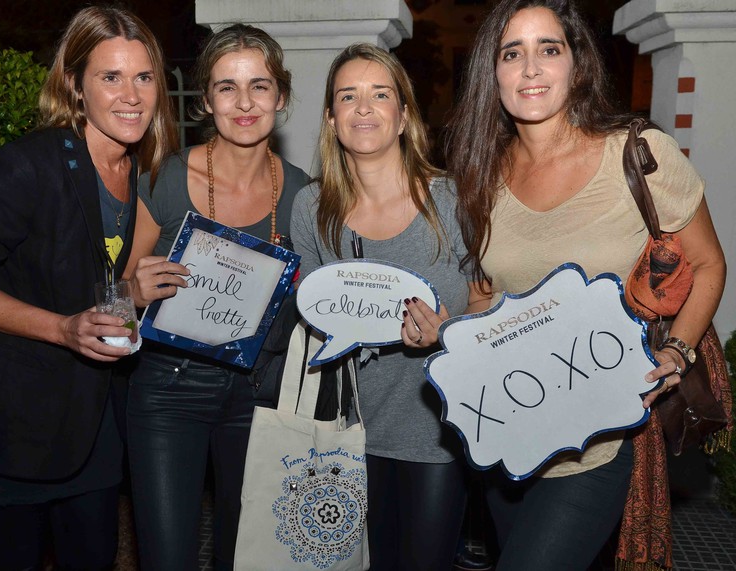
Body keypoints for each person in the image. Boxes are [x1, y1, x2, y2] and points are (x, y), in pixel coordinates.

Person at [444, 1, 726, 570]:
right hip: (510, 436)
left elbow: (708, 264)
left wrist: (678, 351)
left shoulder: (637, 153)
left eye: (548, 49)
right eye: (511, 53)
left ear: (577, 64)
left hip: (601, 441)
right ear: (492, 73)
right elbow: (484, 297)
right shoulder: (480, 174)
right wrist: (452, 338)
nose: (531, 68)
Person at [0, 5, 177, 569]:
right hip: (12, 430)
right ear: (74, 85)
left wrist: (132, 294)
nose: (132, 95)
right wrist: (62, 328)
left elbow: (97, 285)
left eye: (144, 77)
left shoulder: (141, 172)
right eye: (111, 77)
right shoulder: (27, 166)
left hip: (92, 431)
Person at [123, 24, 310, 571]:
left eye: (260, 85)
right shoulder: (163, 178)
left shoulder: (305, 193)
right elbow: (114, 293)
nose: (245, 103)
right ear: (206, 100)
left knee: (245, 557)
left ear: (280, 96)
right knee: (167, 556)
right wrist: (132, 292)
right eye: (227, 87)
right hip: (167, 392)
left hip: (259, 395)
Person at [291, 43, 472, 571]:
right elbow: (308, 311)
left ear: (404, 116)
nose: (364, 107)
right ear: (331, 119)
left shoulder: (452, 200)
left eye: (380, 94)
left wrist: (450, 332)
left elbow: (490, 296)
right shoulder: (312, 207)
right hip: (347, 430)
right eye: (348, 96)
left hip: (437, 429)